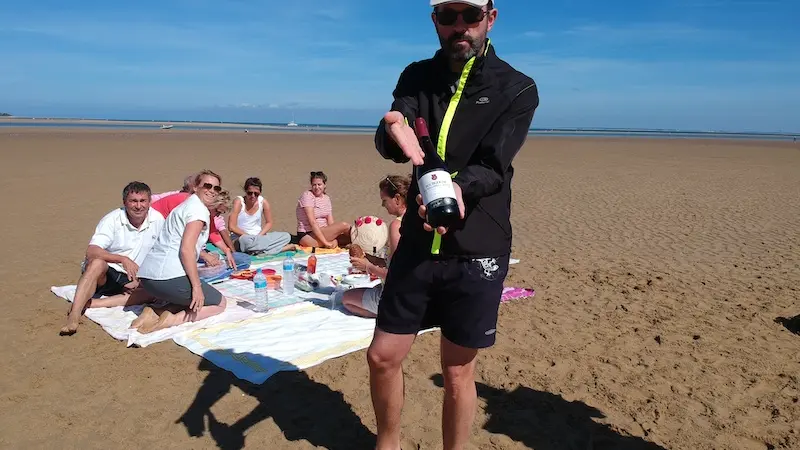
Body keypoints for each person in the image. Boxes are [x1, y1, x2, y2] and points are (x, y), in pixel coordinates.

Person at [367, 1, 539, 449]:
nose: (459, 26)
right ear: (435, 21)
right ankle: (388, 444)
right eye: (448, 16)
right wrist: (390, 128)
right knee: (383, 356)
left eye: (470, 15)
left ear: (491, 16)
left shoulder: (517, 88)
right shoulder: (416, 75)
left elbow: (494, 164)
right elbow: (394, 131)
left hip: (477, 246)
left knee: (458, 370)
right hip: (418, 243)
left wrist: (456, 191)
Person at [125, 170, 232, 334]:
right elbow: (186, 250)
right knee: (219, 303)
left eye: (216, 188)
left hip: (148, 278)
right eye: (207, 186)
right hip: (167, 278)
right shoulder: (198, 211)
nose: (212, 191)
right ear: (196, 187)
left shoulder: (184, 206)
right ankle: (171, 319)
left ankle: (154, 311)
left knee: (190, 299)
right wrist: (196, 287)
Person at [59, 181, 165, 336]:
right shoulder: (112, 219)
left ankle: (93, 304)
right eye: (133, 201)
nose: (138, 206)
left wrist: (143, 277)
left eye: (143, 201)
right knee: (97, 263)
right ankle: (74, 314)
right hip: (108, 272)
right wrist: (122, 259)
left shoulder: (158, 219)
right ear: (125, 202)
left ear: (149, 202)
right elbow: (92, 251)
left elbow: (161, 252)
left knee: (157, 291)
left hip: (132, 276)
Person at [342, 175, 410, 318]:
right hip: (418, 293)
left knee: (346, 299)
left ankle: (388, 315)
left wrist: (368, 267)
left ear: (397, 199)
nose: (382, 205)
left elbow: (397, 273)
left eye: (384, 200)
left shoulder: (397, 226)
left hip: (399, 296)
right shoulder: (417, 218)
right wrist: (370, 259)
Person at [151, 180, 248, 270]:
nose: (217, 216)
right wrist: (205, 255)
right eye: (217, 212)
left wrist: (226, 250)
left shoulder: (205, 209)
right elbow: (183, 242)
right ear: (212, 204)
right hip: (155, 224)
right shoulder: (192, 207)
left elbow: (213, 232)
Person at [228, 177, 296, 255]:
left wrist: (260, 235)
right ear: (245, 191)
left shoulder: (263, 202)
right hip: (241, 237)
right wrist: (250, 237)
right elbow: (231, 227)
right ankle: (278, 249)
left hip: (259, 237)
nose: (253, 196)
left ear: (260, 193)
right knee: (247, 241)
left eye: (256, 194)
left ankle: (258, 250)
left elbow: (269, 222)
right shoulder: (239, 202)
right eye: (250, 193)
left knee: (286, 236)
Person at [294, 171, 351, 248]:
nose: (317, 187)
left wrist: (334, 235)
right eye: (314, 185)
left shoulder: (326, 198)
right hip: (308, 235)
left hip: (324, 231)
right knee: (345, 225)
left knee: (349, 236)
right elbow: (313, 222)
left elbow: (330, 222)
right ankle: (327, 243)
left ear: (324, 185)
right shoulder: (307, 196)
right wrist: (326, 242)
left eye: (319, 184)